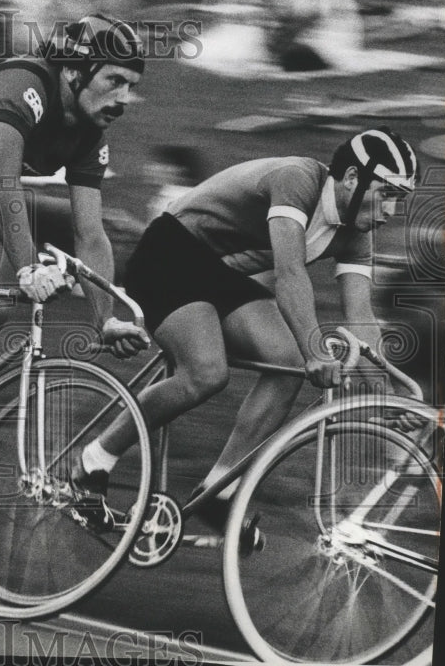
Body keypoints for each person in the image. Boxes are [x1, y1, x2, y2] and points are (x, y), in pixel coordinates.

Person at [69, 127, 419, 534]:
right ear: (353, 179)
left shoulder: (356, 233)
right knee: (206, 373)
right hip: (168, 254)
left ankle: (220, 490)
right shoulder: (298, 179)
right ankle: (94, 459)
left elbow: (360, 314)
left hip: (218, 274)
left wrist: (387, 394)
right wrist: (315, 352)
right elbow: (289, 275)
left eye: (400, 199)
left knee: (286, 363)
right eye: (387, 192)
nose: (391, 210)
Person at [0, 13, 154, 360]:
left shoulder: (89, 136)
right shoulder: (25, 84)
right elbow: (1, 183)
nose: (124, 98)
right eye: (115, 80)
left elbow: (89, 234)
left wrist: (105, 320)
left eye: (131, 86)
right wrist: (30, 266)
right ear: (73, 71)